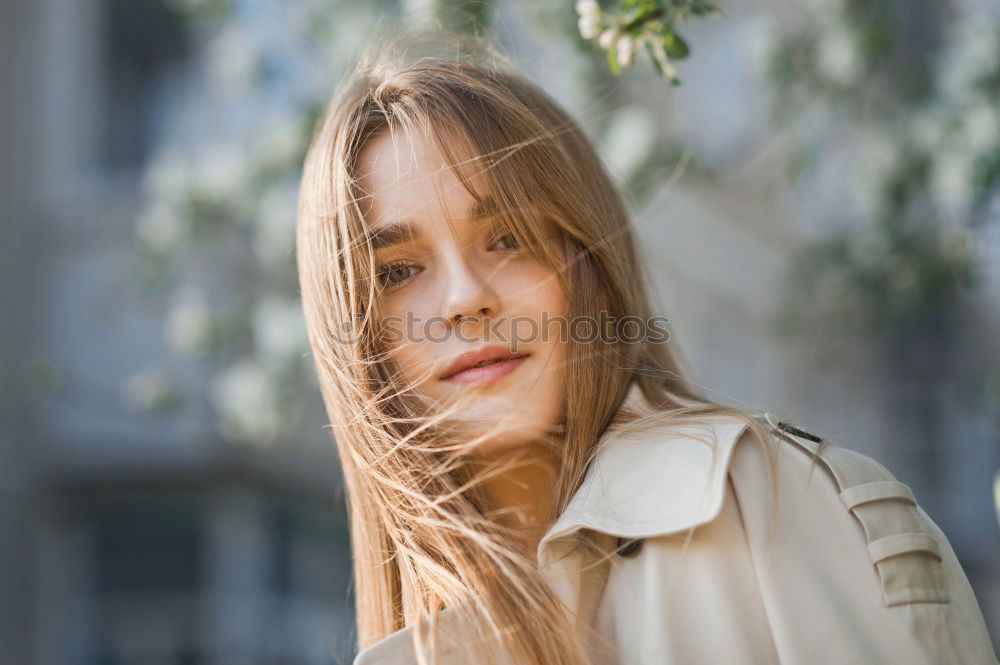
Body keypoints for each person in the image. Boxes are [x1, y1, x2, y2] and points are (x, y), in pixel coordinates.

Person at [294, 25, 998, 665]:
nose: (462, 300)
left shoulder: (785, 503)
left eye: (507, 235)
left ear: (587, 259)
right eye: (396, 271)